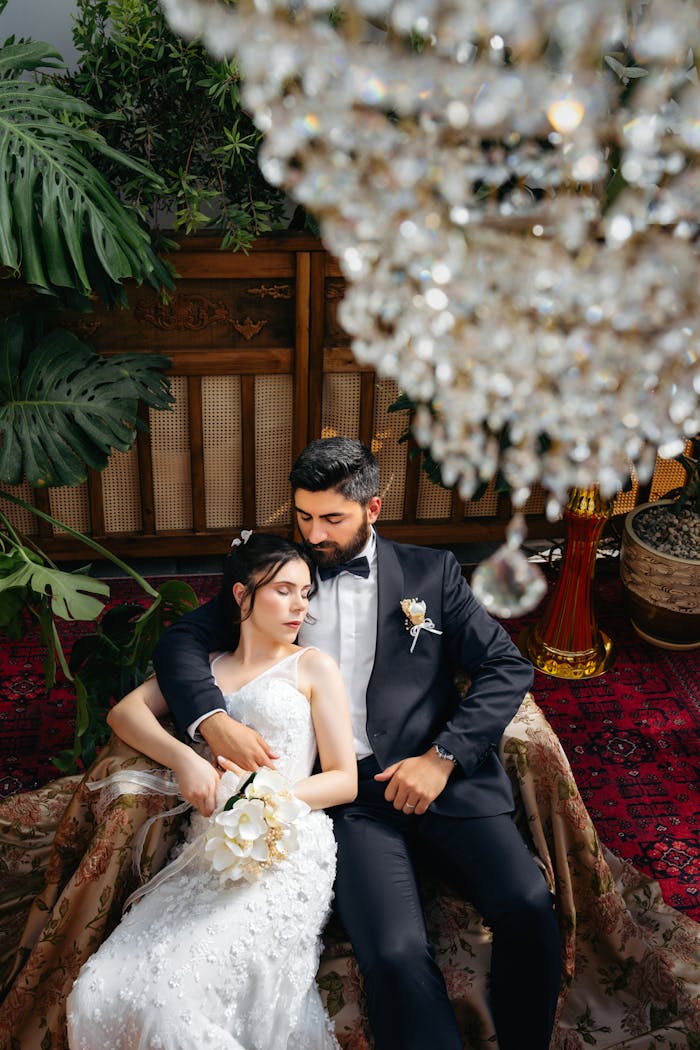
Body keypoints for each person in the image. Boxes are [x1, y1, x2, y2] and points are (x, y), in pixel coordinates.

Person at [152, 437, 562, 1050]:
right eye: (303, 516)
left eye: (331, 519)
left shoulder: (432, 574)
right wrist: (210, 720)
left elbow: (506, 666)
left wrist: (443, 756)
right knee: (395, 954)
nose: (314, 535)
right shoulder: (280, 577)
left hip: (439, 777)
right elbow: (181, 643)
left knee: (528, 905)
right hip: (347, 798)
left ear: (373, 508)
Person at [66, 534, 357, 1050]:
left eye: (306, 593)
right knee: (96, 990)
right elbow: (124, 713)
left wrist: (268, 802)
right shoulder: (209, 666)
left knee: (171, 1005)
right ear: (242, 595)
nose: (299, 606)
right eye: (284, 590)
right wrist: (183, 759)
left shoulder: (313, 667)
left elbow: (343, 778)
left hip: (281, 847)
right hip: (206, 852)